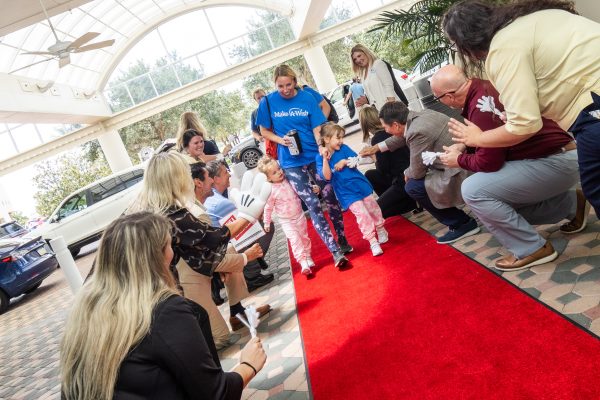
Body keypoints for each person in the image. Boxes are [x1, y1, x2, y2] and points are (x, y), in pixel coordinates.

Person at [60, 212, 266, 399]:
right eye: (170, 245)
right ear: (158, 256)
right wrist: (248, 365)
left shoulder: (85, 310)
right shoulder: (164, 310)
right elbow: (216, 394)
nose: (174, 253)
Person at [442, 0, 600, 217]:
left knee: (596, 188)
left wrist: (475, 139)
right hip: (586, 113)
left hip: (593, 109)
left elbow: (524, 125)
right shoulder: (540, 16)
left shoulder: (502, 48)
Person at [432, 64, 583, 271]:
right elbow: (493, 139)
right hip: (563, 155)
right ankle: (574, 204)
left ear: (448, 97)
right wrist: (466, 144)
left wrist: (458, 159)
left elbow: (489, 162)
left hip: (556, 160)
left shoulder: (480, 106)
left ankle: (532, 248)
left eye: (437, 98)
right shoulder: (483, 89)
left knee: (474, 191)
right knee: (496, 205)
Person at [127, 152, 271, 350]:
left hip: (166, 279)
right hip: (154, 289)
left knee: (227, 252)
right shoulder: (173, 214)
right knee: (219, 338)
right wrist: (247, 217)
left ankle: (236, 312)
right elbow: (212, 240)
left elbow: (207, 249)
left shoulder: (152, 207)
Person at [256, 64, 350, 268]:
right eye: (280, 86)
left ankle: (342, 239)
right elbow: (263, 131)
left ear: (295, 82)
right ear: (275, 84)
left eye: (288, 84)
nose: (285, 89)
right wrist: (282, 141)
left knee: (329, 197)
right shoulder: (268, 102)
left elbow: (317, 126)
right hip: (290, 163)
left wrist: (321, 146)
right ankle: (334, 251)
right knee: (313, 205)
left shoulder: (307, 97)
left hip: (313, 156)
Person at [361, 101, 479, 244]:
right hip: (465, 158)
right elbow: (400, 138)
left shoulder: (416, 132)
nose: (385, 131)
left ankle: (461, 223)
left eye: (386, 127)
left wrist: (406, 172)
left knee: (413, 186)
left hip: (460, 169)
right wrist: (376, 148)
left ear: (396, 125)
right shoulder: (422, 115)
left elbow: (416, 171)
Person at [317, 123, 388, 256]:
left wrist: (344, 161)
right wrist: (324, 159)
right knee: (362, 215)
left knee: (373, 208)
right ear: (326, 139)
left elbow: (357, 159)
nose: (341, 141)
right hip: (346, 193)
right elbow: (327, 176)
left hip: (360, 185)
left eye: (342, 138)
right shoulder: (319, 158)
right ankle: (372, 241)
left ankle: (380, 228)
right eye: (338, 138)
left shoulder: (344, 148)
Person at [203, 160, 275, 290]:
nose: (229, 175)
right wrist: (258, 214)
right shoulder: (220, 203)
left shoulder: (213, 197)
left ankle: (252, 267)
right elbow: (242, 226)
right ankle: (251, 274)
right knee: (266, 226)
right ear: (216, 179)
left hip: (217, 247)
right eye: (225, 173)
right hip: (223, 250)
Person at [258, 156, 316, 276]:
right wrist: (267, 222)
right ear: (268, 178)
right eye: (274, 172)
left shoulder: (289, 180)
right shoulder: (271, 190)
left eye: (279, 169)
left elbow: (302, 187)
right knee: (295, 240)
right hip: (286, 221)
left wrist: (312, 187)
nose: (279, 172)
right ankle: (302, 262)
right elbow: (268, 208)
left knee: (304, 237)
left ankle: (308, 256)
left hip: (299, 215)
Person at [360, 106, 417, 218]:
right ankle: (403, 201)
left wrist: (373, 156)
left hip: (401, 179)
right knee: (370, 174)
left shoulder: (378, 138)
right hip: (406, 172)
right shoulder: (393, 130)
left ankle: (406, 204)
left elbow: (382, 169)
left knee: (376, 212)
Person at [350, 44, 407, 111]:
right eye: (355, 59)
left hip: (392, 109)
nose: (358, 60)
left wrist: (391, 110)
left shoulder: (378, 64)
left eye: (359, 56)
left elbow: (388, 86)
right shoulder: (363, 73)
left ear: (366, 53)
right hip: (379, 111)